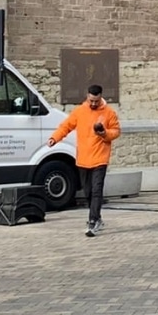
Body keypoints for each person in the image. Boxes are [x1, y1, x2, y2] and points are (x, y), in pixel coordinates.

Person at [48, 84, 122, 237]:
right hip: (83, 158)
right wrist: (54, 138)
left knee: (96, 191)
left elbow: (116, 131)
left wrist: (104, 133)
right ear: (87, 97)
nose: (93, 104)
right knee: (87, 191)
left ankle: (93, 221)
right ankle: (98, 218)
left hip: (100, 158)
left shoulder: (109, 113)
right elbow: (66, 126)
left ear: (101, 97)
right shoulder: (80, 111)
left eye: (96, 101)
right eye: (91, 101)